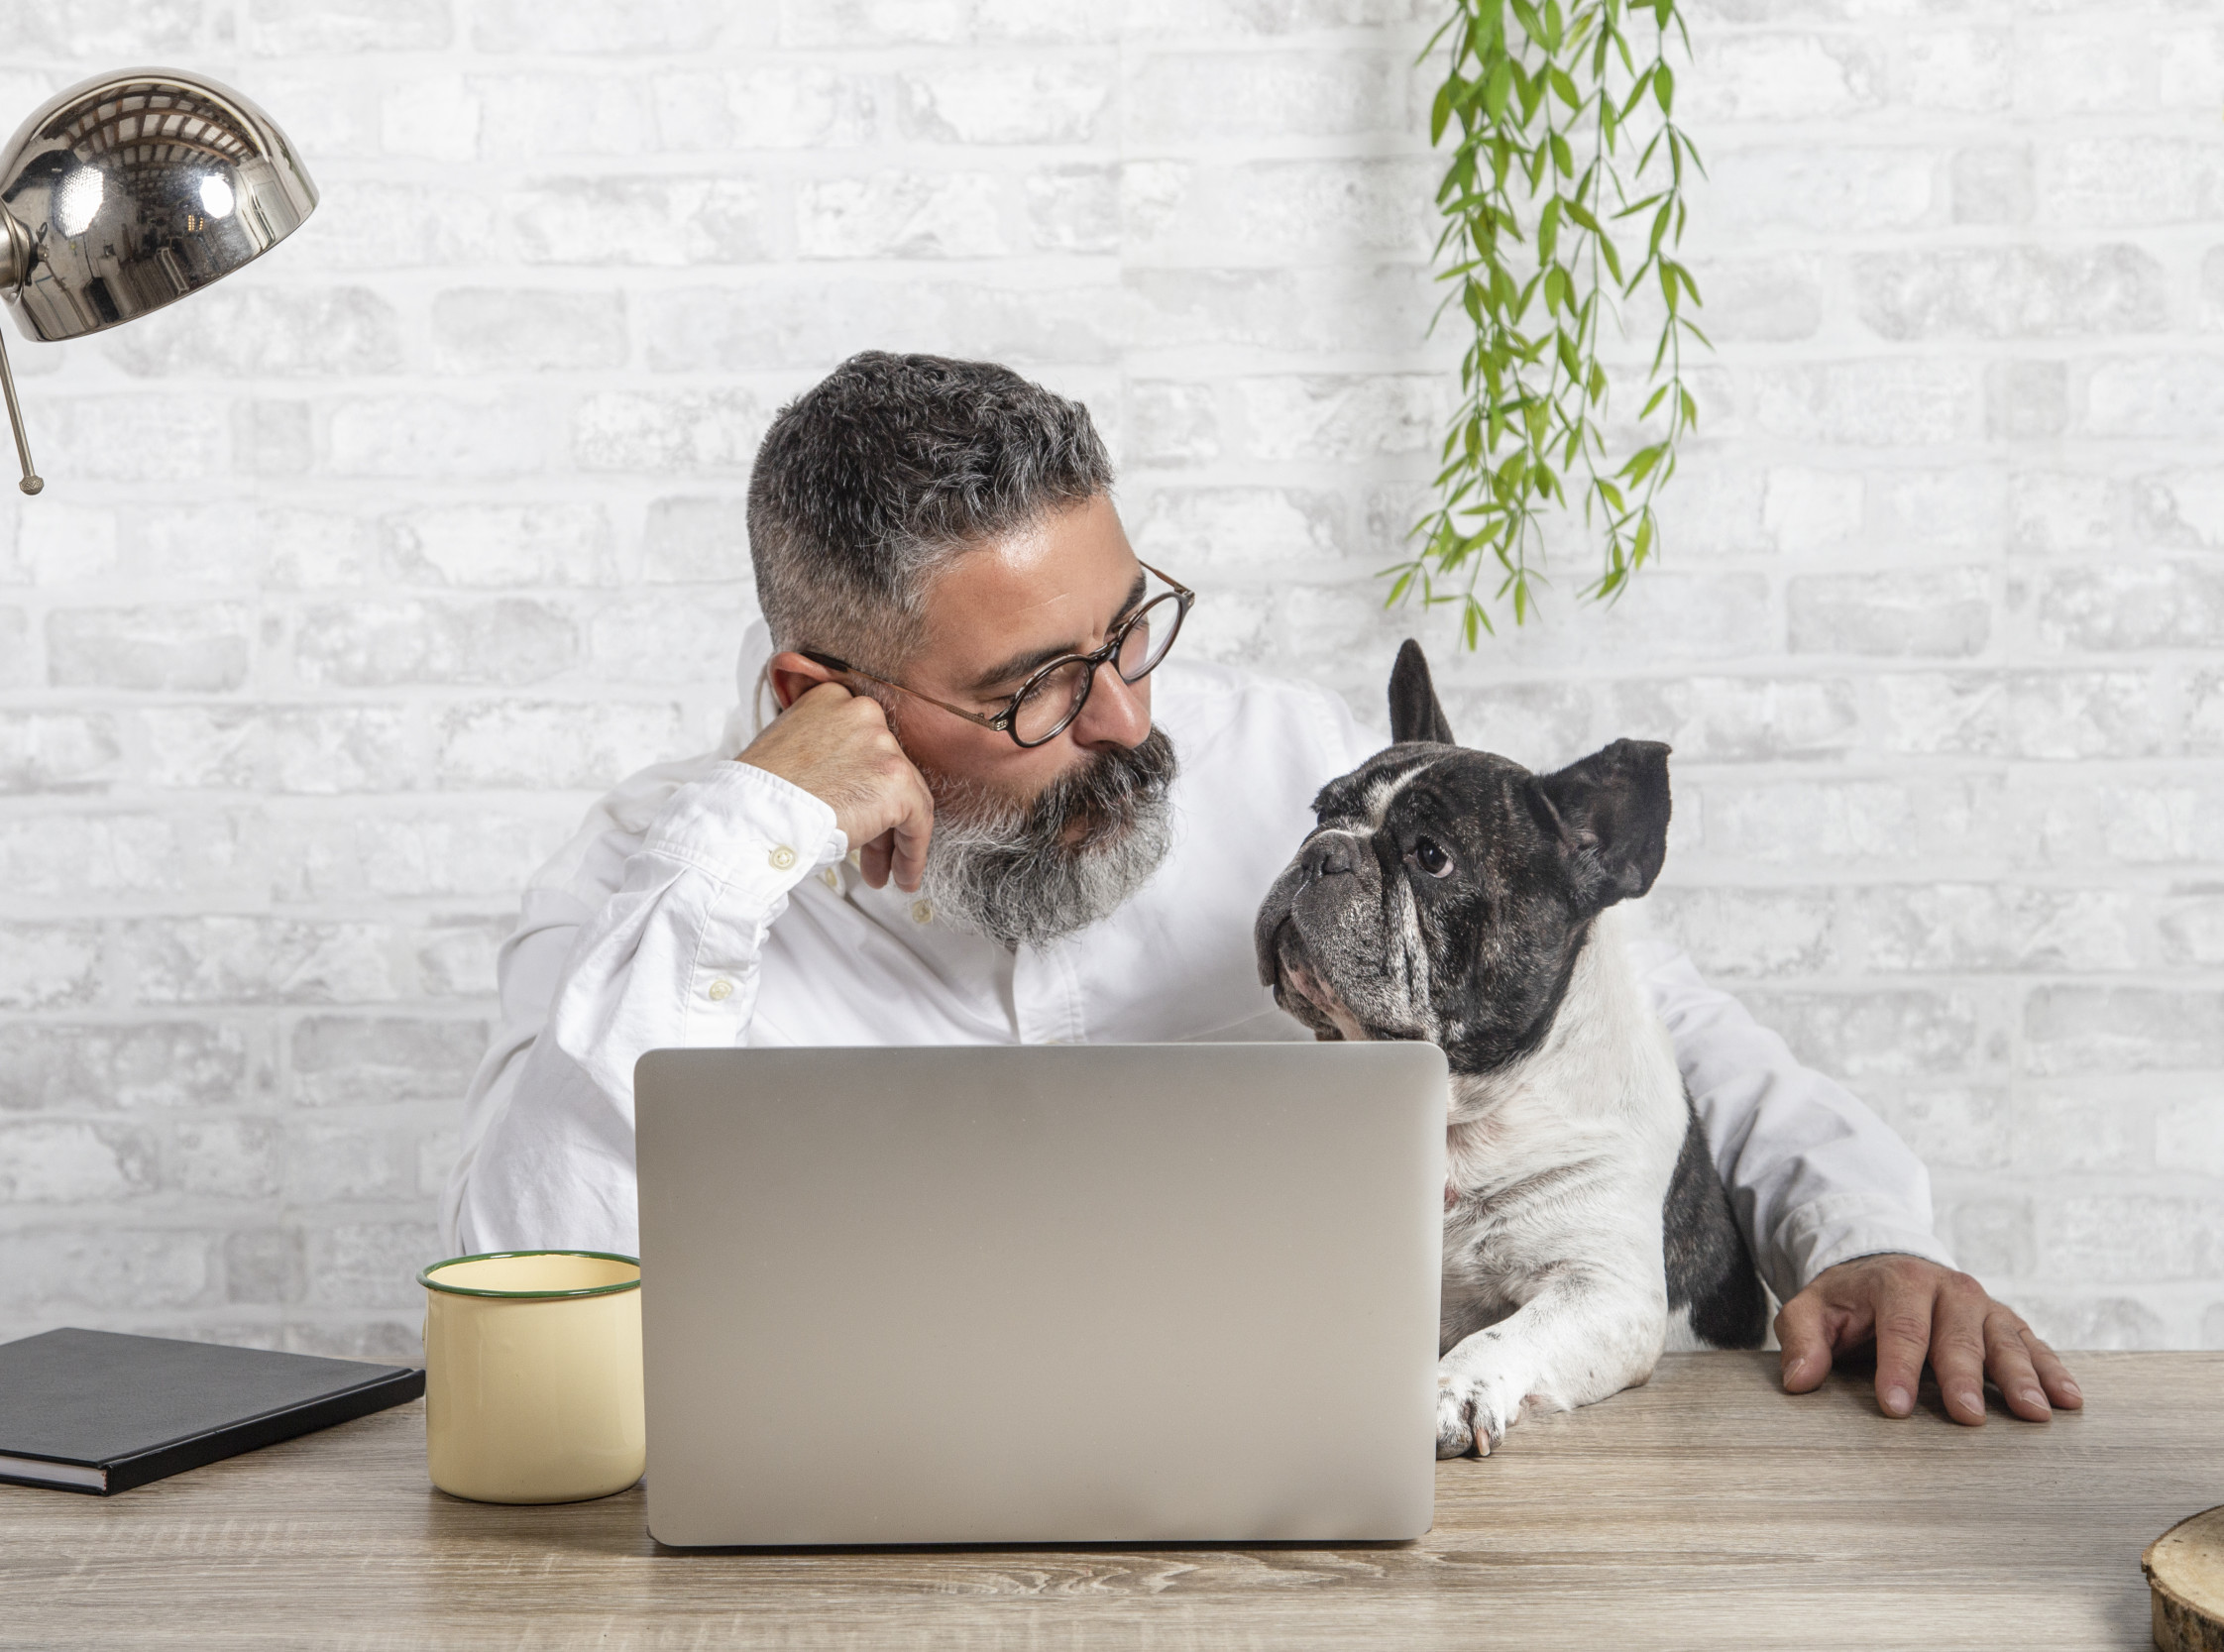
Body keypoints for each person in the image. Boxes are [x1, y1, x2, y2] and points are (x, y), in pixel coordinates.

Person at [445, 351, 2082, 1429]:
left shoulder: (1307, 778)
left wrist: (1855, 1234)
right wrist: (741, 848)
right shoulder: (655, 889)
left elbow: (1653, 1025)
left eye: (1131, 629)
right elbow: (530, 1315)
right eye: (1035, 690)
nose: (1130, 722)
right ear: (825, 689)